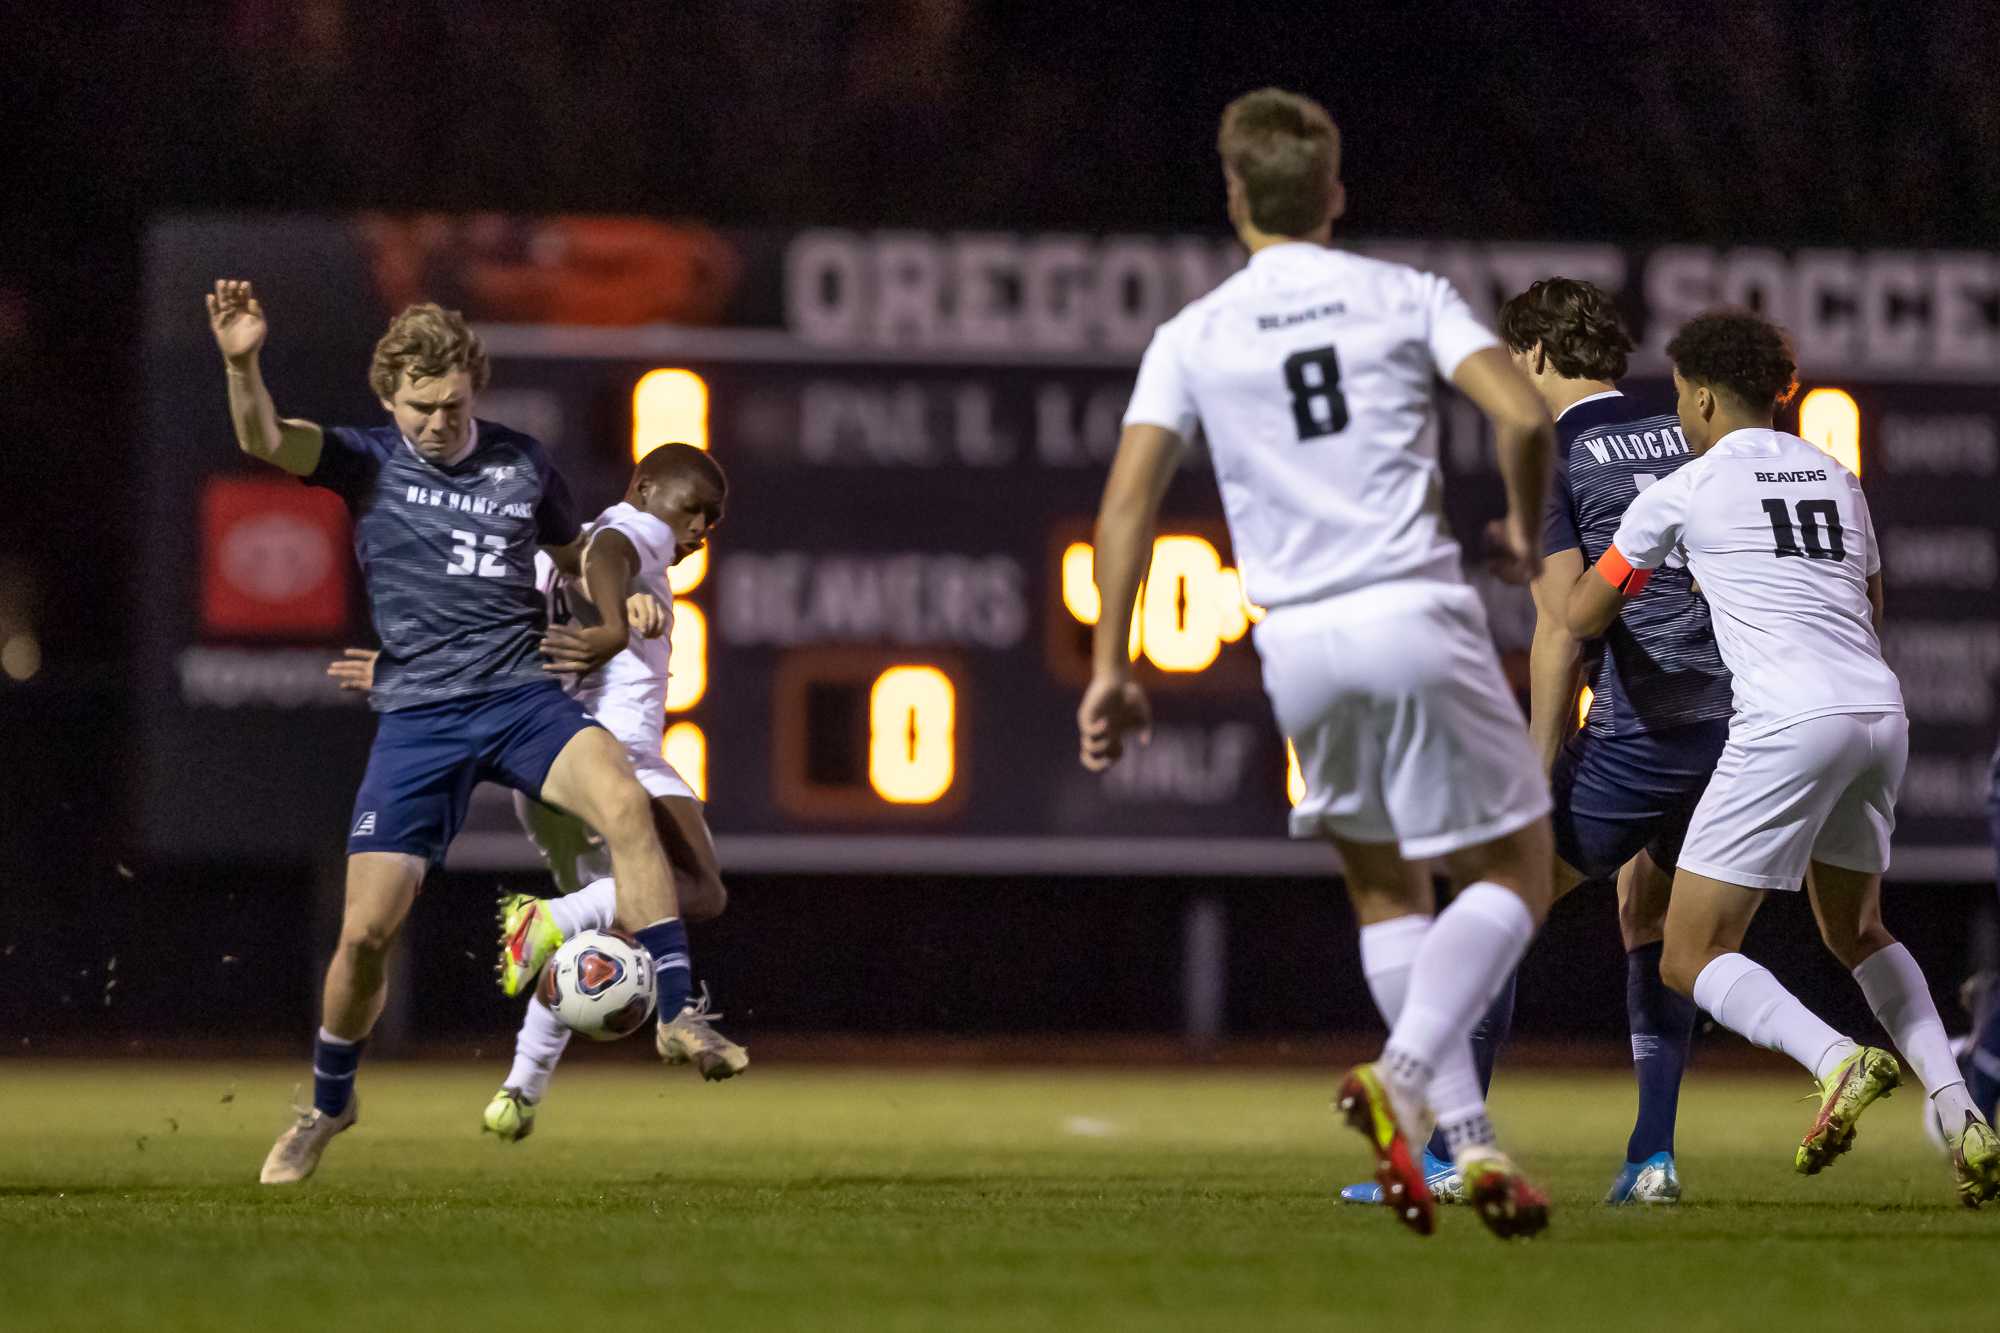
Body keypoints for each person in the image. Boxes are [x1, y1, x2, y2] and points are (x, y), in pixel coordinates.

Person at [1079, 88, 1558, 1240]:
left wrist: (1109, 664)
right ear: (1333, 192)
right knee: (1518, 867)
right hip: (1410, 608)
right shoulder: (1405, 295)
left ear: (1233, 196)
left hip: (1295, 640)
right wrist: (1519, 529)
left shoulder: (1191, 334)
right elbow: (1524, 418)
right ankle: (1401, 1078)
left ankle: (1471, 1143)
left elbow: (1126, 509)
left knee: (1385, 889)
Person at [207, 281, 698, 1184]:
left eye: (453, 405)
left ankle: (677, 1008)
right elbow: (263, 438)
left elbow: (576, 553)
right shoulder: (365, 460)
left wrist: (616, 596)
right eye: (420, 408)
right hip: (421, 719)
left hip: (519, 697)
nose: (437, 423)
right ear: (390, 400)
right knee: (363, 936)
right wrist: (244, 362)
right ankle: (328, 1102)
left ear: (475, 388)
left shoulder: (522, 462)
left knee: (626, 799)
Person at [1566, 307, 2000, 1206]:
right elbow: (1870, 602)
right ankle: (1962, 1112)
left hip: (1786, 718)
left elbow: (1581, 613)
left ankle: (1835, 1058)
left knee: (1686, 951)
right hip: (1878, 711)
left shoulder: (1684, 487)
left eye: (1682, 398)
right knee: (1857, 929)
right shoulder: (1839, 476)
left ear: (1702, 397)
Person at [328, 443, 747, 1142]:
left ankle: (519, 1090)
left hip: (551, 777)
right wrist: (617, 622)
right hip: (612, 761)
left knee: (606, 933)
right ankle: (559, 925)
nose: (700, 528)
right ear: (645, 487)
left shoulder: (551, 560)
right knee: (699, 889)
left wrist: (417, 671)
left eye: (712, 519)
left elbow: (507, 632)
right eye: (692, 509)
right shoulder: (629, 533)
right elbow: (613, 546)